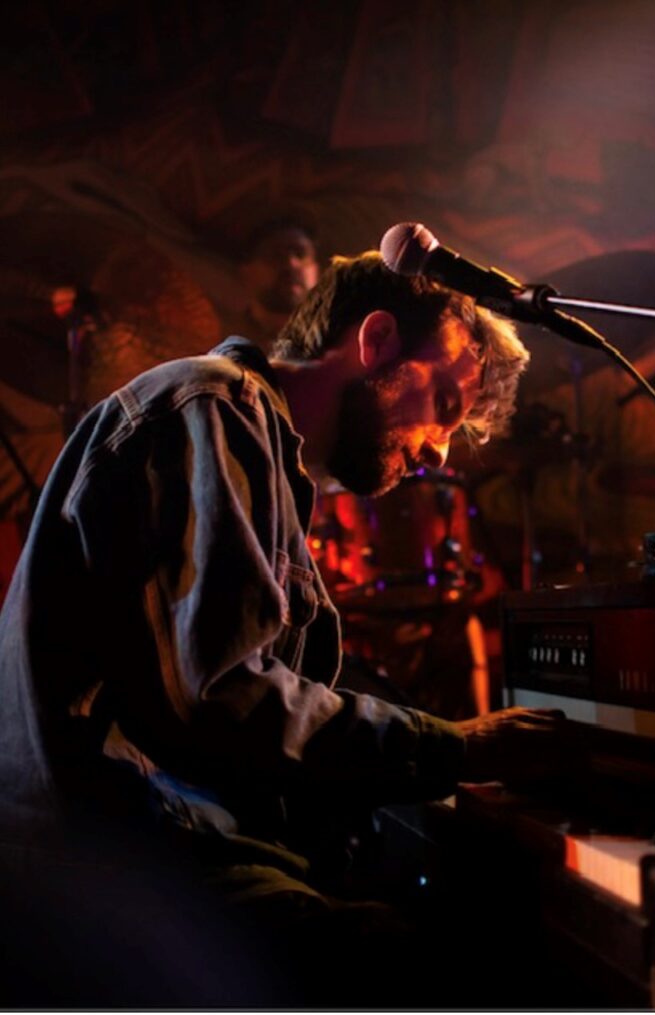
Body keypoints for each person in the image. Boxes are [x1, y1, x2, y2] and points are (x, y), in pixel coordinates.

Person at [0, 251, 562, 1005]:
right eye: (445, 407)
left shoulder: (262, 454)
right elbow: (224, 694)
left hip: (163, 841)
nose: (435, 451)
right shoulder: (213, 406)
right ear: (379, 340)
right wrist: (453, 746)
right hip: (117, 862)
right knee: (450, 969)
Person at [231, 214, 321, 350]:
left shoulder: (346, 342)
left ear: (316, 271)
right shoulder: (223, 351)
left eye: (300, 254)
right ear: (247, 274)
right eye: (275, 255)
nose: (291, 264)